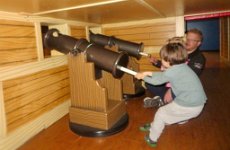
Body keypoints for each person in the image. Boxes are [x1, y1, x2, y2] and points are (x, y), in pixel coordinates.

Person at [134, 42, 207, 147]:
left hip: (188, 105)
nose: (161, 60)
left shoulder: (172, 71)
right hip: (196, 104)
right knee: (167, 114)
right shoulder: (181, 67)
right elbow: (163, 75)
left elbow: (156, 81)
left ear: (169, 61)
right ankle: (156, 125)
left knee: (161, 113)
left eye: (163, 58)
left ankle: (152, 139)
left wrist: (142, 77)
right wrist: (148, 73)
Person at [144, 28, 206, 108]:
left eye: (192, 40)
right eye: (187, 38)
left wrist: (171, 90)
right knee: (149, 82)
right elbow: (171, 65)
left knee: (175, 92)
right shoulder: (179, 50)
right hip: (170, 81)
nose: (187, 41)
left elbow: (185, 78)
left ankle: (164, 100)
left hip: (182, 86)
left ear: (198, 43)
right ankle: (166, 100)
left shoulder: (199, 58)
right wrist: (157, 63)